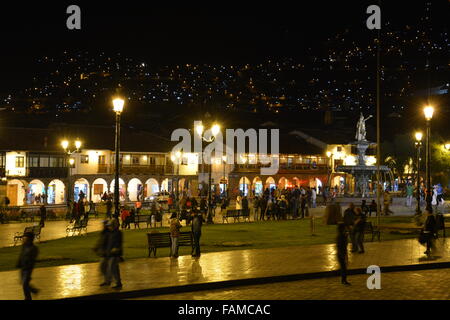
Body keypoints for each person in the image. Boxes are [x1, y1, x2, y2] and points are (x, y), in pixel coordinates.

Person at [16, 232, 39, 299]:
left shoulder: (34, 248)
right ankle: (28, 297)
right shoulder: (24, 246)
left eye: (25, 238)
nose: (23, 239)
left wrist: (28, 266)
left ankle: (33, 292)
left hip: (28, 268)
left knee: (25, 283)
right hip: (22, 267)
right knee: (24, 284)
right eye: (23, 238)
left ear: (29, 239)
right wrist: (18, 263)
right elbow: (21, 255)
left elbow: (32, 259)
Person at [103, 219, 123, 289]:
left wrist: (115, 248)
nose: (109, 227)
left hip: (115, 253)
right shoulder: (111, 233)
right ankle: (110, 281)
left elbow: (118, 242)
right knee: (112, 267)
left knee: (113, 268)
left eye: (110, 226)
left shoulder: (117, 233)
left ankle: (118, 282)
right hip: (110, 253)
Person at [94, 220, 109, 285]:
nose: (103, 226)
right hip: (104, 252)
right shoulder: (103, 232)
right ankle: (107, 280)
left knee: (104, 266)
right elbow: (100, 240)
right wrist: (96, 247)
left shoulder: (109, 233)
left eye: (104, 224)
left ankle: (108, 280)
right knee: (104, 266)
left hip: (107, 252)